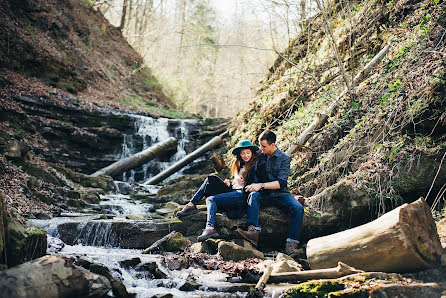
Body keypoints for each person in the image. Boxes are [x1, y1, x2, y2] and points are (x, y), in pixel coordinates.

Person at [235, 130, 304, 256]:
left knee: (298, 209)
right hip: (263, 194)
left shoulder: (284, 159)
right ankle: (253, 232)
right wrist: (238, 176)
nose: (260, 149)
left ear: (273, 145)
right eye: (260, 145)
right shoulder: (259, 154)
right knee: (253, 195)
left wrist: (260, 185)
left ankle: (291, 246)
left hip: (280, 194)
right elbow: (243, 163)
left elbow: (280, 183)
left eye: (264, 146)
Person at [176, 140, 259, 242]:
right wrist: (230, 182)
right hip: (233, 190)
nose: (245, 155)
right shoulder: (240, 165)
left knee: (211, 200)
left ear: (252, 153)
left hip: (242, 196)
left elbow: (255, 184)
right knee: (211, 178)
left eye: (248, 153)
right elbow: (237, 183)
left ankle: (210, 227)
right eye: (243, 153)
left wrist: (245, 182)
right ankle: (192, 204)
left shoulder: (255, 165)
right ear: (239, 154)